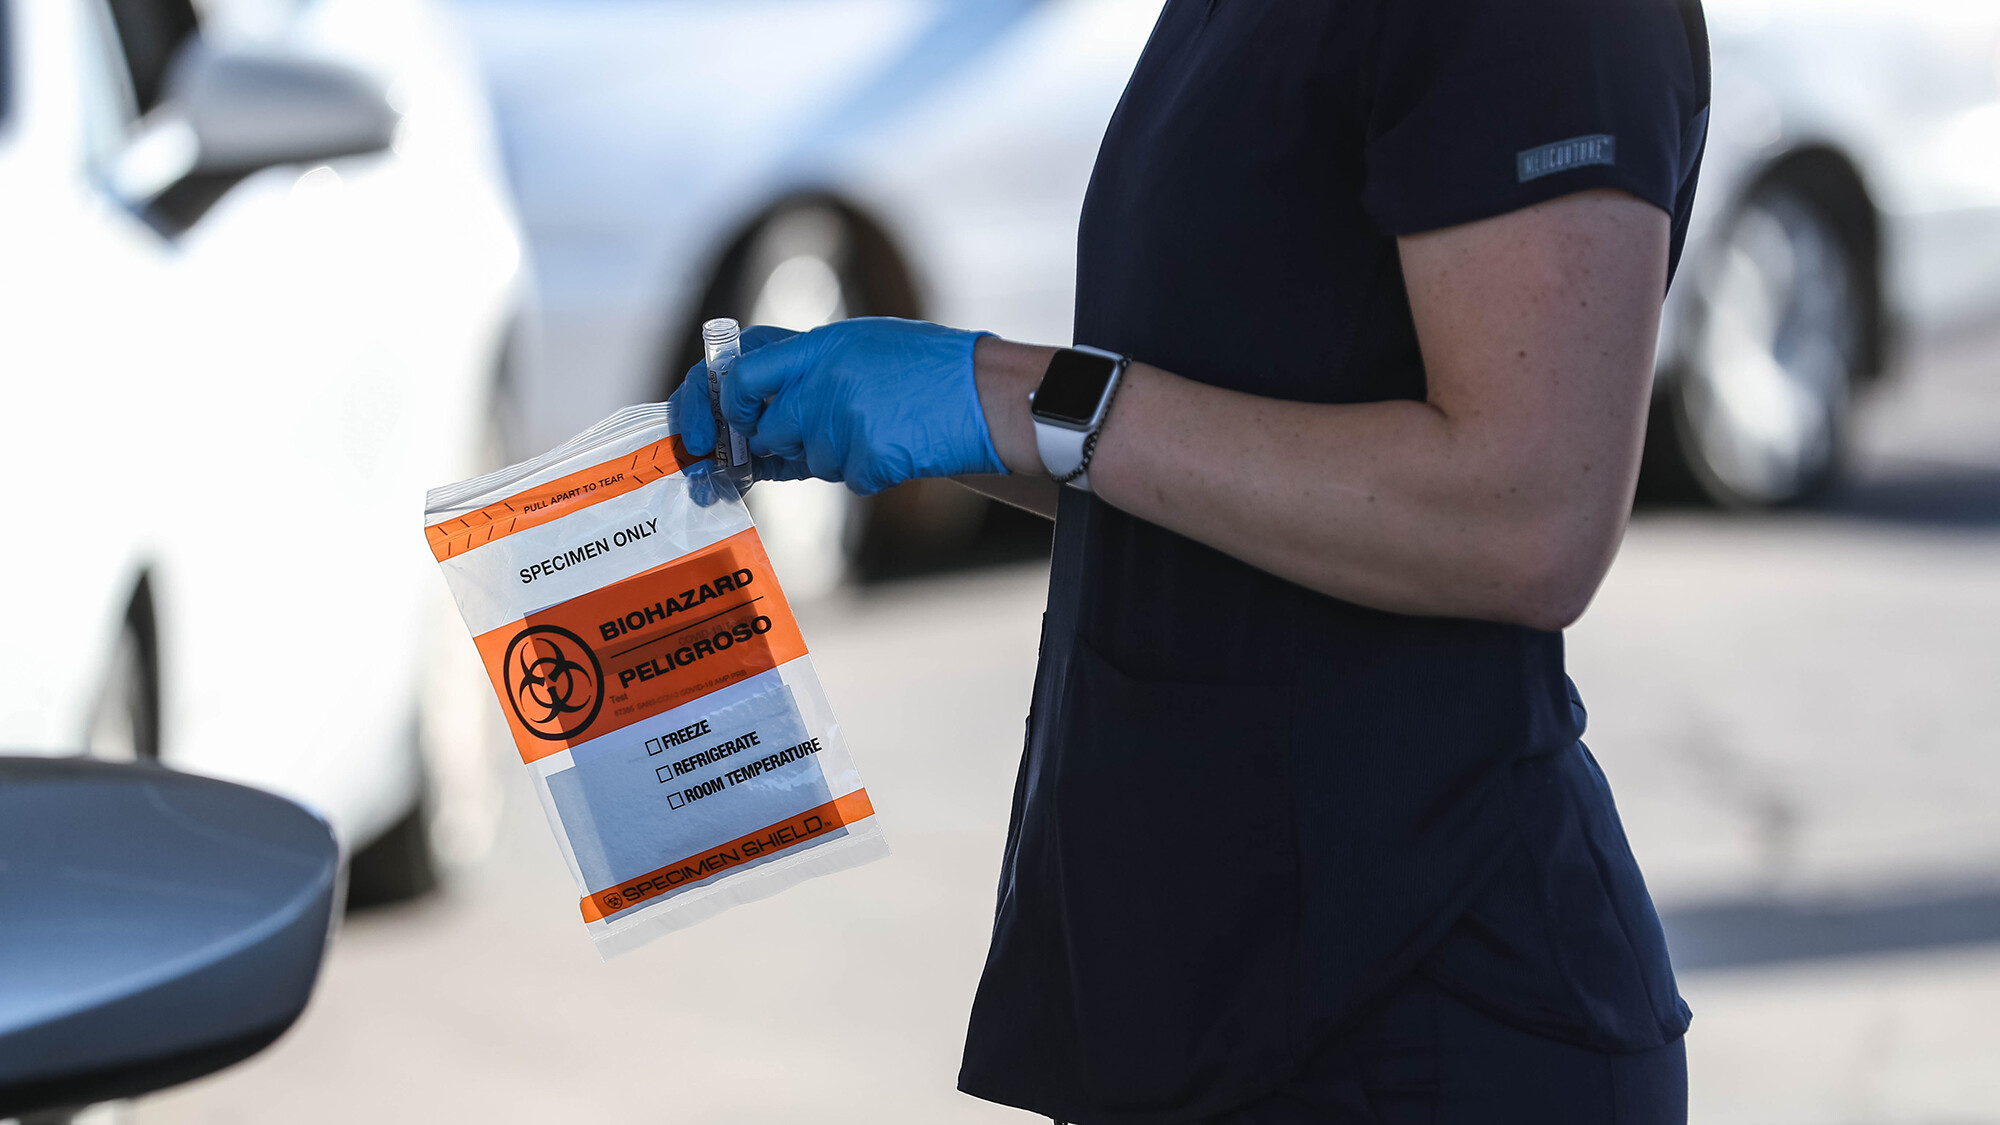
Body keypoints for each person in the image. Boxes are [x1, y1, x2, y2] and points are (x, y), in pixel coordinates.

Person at [671, 0, 1710, 1119]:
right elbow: (1193, 455)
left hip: (1413, 994)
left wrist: (1006, 393)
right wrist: (930, 409)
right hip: (1191, 983)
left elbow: (1530, 517)